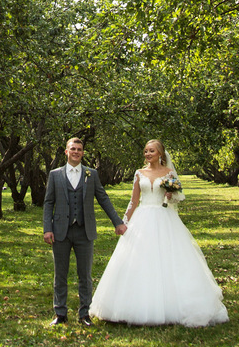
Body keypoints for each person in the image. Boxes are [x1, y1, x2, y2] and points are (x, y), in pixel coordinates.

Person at [89, 139, 228, 327]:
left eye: (151, 151)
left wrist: (171, 196)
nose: (147, 154)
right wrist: (124, 222)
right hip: (143, 217)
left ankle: (173, 305)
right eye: (146, 151)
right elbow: (133, 201)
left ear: (160, 154)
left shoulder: (169, 173)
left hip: (164, 218)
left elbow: (177, 196)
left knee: (168, 259)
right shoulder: (139, 173)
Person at [42, 137, 128, 325]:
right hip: (60, 231)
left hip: (85, 231)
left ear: (82, 153)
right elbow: (49, 202)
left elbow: (103, 198)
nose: (76, 152)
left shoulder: (91, 174)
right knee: (60, 274)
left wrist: (118, 222)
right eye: (73, 148)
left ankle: (84, 314)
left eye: (79, 149)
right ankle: (60, 314)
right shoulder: (55, 174)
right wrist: (47, 229)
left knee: (85, 275)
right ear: (66, 152)